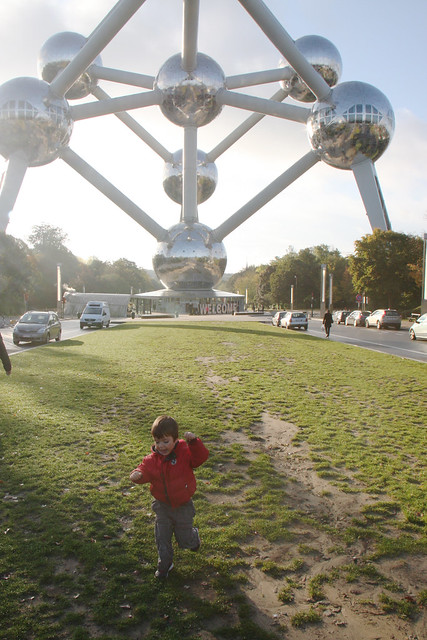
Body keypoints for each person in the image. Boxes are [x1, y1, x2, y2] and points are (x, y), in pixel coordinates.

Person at [130, 415, 209, 579]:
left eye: (166, 441)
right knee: (162, 538)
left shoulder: (185, 452)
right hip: (162, 507)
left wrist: (194, 443)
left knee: (184, 540)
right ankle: (165, 566)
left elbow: (200, 458)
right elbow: (144, 469)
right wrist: (137, 475)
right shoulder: (152, 460)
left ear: (175, 439)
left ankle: (193, 538)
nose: (161, 446)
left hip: (183, 505)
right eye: (157, 442)